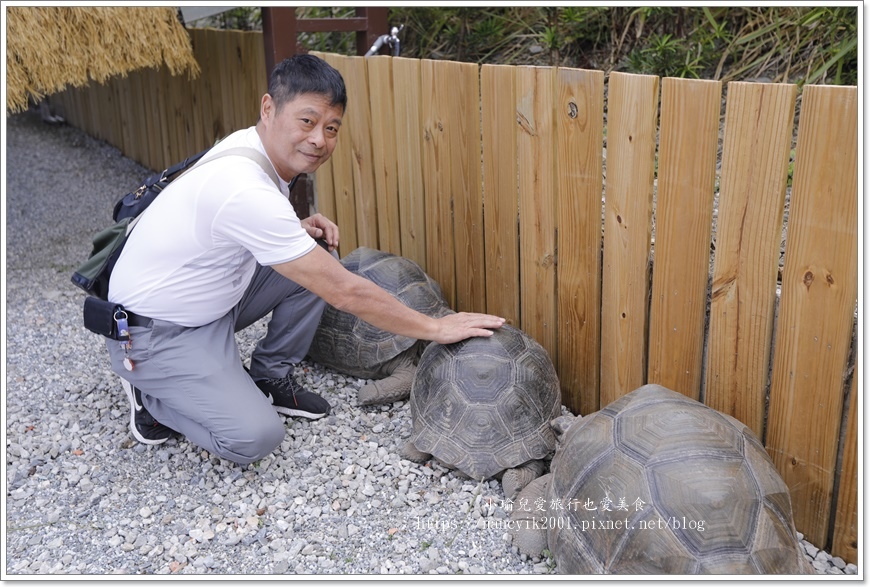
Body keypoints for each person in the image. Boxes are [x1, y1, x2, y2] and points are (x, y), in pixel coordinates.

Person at [105, 54, 504, 465]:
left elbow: (234, 229)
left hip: (200, 303)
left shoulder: (253, 148)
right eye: (307, 121)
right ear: (268, 108)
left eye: (331, 128)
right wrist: (434, 327)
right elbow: (344, 291)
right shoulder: (244, 187)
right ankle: (151, 396)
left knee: (317, 252)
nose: (319, 140)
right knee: (254, 436)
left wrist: (294, 229)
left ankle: (268, 374)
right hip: (155, 333)